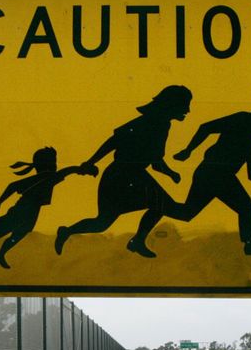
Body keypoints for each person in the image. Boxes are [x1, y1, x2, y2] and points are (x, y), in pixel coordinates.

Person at [130, 92, 251, 256]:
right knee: (246, 206)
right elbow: (206, 128)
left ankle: (150, 216)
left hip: (215, 176)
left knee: (187, 213)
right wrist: (188, 150)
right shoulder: (241, 120)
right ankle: (250, 244)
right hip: (213, 174)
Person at [54, 85, 192, 258]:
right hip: (120, 175)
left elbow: (155, 160)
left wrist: (170, 173)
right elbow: (113, 141)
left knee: (155, 205)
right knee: (102, 222)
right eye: (185, 105)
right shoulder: (147, 122)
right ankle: (67, 232)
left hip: (134, 175)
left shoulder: (163, 125)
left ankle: (137, 240)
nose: (188, 110)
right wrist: (90, 162)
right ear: (171, 105)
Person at [0, 147, 96, 268]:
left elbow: (64, 172)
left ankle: (0, 254)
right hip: (23, 207)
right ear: (47, 164)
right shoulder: (46, 176)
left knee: (19, 234)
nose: (56, 165)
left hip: (33, 210)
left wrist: (80, 170)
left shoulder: (47, 176)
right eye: (54, 162)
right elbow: (13, 185)